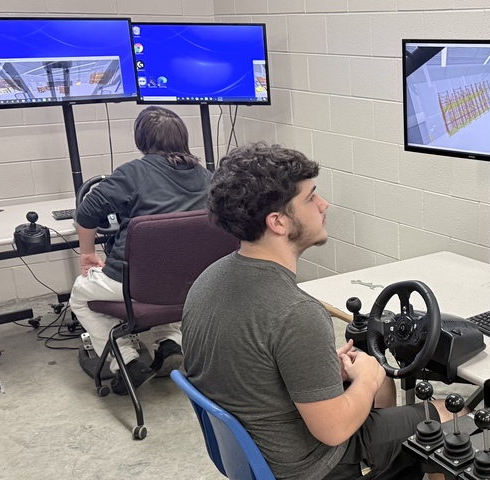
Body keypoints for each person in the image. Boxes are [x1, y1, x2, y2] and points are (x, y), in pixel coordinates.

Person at [182, 142, 458, 480]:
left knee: (380, 384)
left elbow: (250, 369)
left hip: (258, 453)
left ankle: (390, 462)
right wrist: (368, 381)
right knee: (452, 416)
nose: (324, 204)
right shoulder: (296, 312)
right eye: (311, 197)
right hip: (312, 466)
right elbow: (334, 430)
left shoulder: (208, 279)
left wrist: (324, 371)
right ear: (278, 222)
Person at [68, 106, 212, 395]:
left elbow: (86, 212)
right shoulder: (207, 177)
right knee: (168, 280)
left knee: (81, 295)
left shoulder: (134, 172)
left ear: (141, 140)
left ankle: (124, 360)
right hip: (190, 284)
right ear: (183, 138)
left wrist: (87, 254)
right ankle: (169, 343)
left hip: (134, 285)